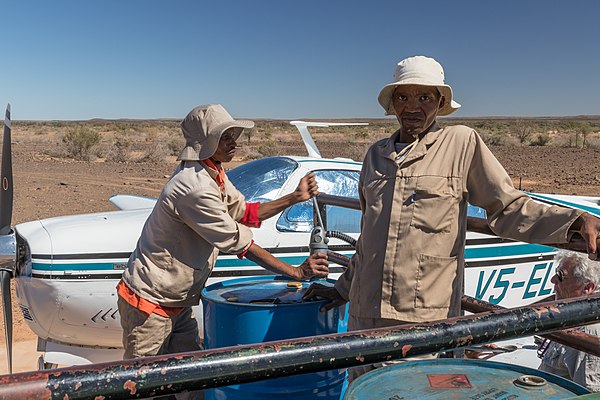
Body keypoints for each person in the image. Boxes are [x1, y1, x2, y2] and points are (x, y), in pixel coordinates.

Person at [304, 55, 600, 381]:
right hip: (362, 315)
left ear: (440, 102)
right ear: (392, 103)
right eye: (403, 97)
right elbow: (369, 238)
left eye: (424, 97)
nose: (412, 106)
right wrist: (342, 288)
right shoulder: (376, 155)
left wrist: (574, 222)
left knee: (406, 390)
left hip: (419, 320)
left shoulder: (460, 143)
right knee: (360, 388)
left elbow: (507, 207)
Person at [117, 104, 328, 368]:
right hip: (150, 305)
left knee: (187, 376)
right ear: (205, 143)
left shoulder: (212, 170)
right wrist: (295, 272)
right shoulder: (193, 187)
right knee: (143, 381)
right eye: (224, 137)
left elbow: (244, 212)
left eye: (233, 136)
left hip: (176, 303)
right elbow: (241, 243)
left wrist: (294, 198)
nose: (233, 143)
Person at [538, 250, 600, 392]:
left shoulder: (588, 330)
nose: (553, 280)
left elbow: (587, 393)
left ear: (587, 288)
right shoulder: (573, 316)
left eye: (560, 276)